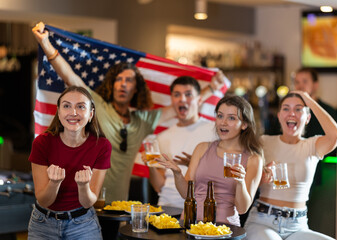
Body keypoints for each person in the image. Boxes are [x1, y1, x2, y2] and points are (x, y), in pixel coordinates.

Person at [32, 22, 225, 202]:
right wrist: (45, 43)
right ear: (112, 84)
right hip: (87, 201)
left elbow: (180, 105)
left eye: (129, 80)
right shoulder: (97, 107)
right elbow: (71, 78)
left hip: (119, 205)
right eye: (119, 79)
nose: (123, 84)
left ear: (136, 89)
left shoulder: (142, 120)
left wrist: (211, 89)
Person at [244, 91, 337, 240]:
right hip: (262, 222)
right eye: (286, 108)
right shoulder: (264, 142)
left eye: (298, 109)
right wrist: (261, 178)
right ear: (279, 116)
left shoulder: (312, 145)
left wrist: (309, 100)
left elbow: (335, 135)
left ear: (308, 118)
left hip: (297, 226)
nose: (292, 113)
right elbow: (245, 181)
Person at [158, 95, 264, 226]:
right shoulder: (202, 148)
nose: (223, 122)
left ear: (244, 124)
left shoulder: (253, 159)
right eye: (220, 116)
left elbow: (242, 209)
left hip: (223, 228)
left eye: (231, 118)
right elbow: (186, 194)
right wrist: (177, 173)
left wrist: (240, 182)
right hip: (191, 223)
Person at [28, 86, 112, 240]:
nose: (73, 112)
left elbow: (88, 202)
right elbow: (44, 200)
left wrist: (83, 186)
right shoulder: (42, 143)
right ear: (59, 112)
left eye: (81, 107)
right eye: (66, 106)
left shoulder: (102, 146)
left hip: (83, 224)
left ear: (91, 114)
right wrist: (54, 183)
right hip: (43, 224)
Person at [143, 76, 216, 209]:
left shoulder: (215, 131)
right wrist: (150, 165)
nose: (182, 99)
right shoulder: (162, 137)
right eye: (177, 95)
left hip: (200, 209)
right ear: (172, 100)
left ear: (200, 99)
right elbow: (159, 186)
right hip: (166, 207)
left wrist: (195, 165)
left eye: (188, 94)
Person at [294, 67, 337, 155]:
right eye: (297, 82)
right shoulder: (289, 111)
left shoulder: (328, 111)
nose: (300, 86)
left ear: (315, 85)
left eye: (305, 81)